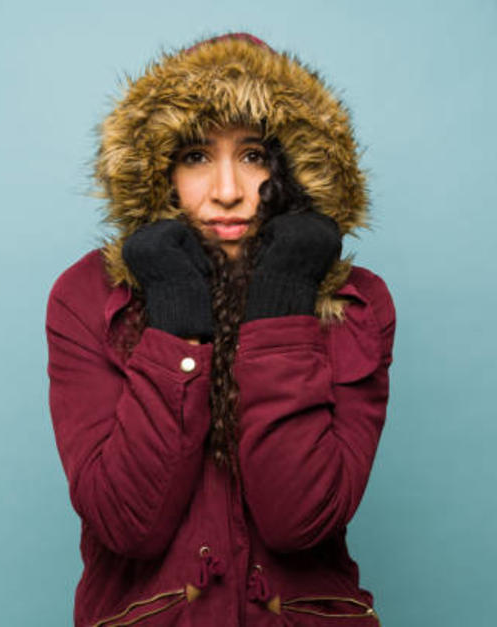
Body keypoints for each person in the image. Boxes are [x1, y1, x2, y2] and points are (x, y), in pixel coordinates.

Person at [45, 32, 396, 626]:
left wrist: (283, 301)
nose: (229, 191)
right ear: (158, 171)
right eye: (196, 157)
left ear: (295, 169)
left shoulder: (355, 304)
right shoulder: (88, 298)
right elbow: (128, 524)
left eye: (255, 155)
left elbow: (298, 520)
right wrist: (175, 325)